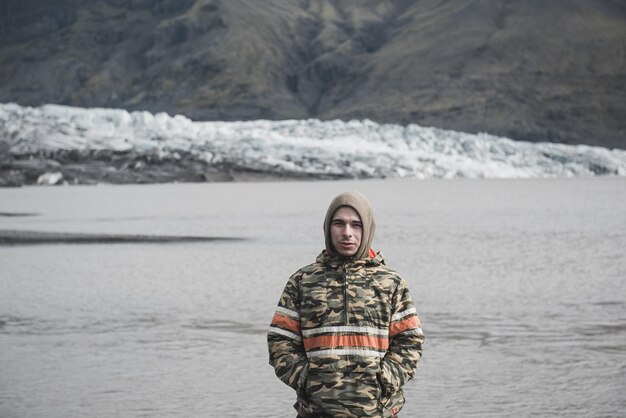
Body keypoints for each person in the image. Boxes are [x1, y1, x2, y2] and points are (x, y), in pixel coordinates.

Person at [268, 191, 424, 417]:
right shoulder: (302, 281)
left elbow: (410, 340)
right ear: (327, 228)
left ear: (367, 228)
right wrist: (307, 380)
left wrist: (385, 379)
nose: (347, 233)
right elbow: (280, 339)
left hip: (377, 411)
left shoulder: (391, 282)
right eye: (339, 223)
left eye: (356, 225)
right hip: (316, 411)